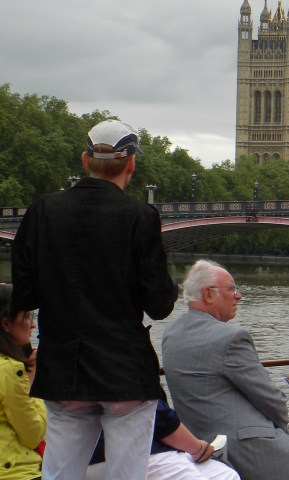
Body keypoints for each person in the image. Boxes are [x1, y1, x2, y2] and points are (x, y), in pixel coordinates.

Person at [11, 119, 178, 480]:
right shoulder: (140, 217)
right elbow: (159, 305)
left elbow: (25, 294)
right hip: (124, 374)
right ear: (131, 165)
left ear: (85, 161)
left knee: (59, 473)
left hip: (63, 367)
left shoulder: (41, 212)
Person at [163, 259, 289, 480]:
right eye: (231, 289)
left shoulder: (170, 335)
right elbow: (272, 400)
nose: (238, 295)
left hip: (198, 443)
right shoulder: (230, 338)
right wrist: (284, 436)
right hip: (248, 448)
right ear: (209, 294)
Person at [86, 397, 240, 480]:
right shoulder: (113, 351)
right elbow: (155, 414)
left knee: (226, 475)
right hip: (130, 450)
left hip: (146, 445)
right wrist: (198, 448)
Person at [0, 284, 46, 480]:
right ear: (6, 324)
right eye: (27, 316)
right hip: (15, 472)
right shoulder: (10, 371)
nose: (33, 324)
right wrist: (31, 380)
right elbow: (33, 434)